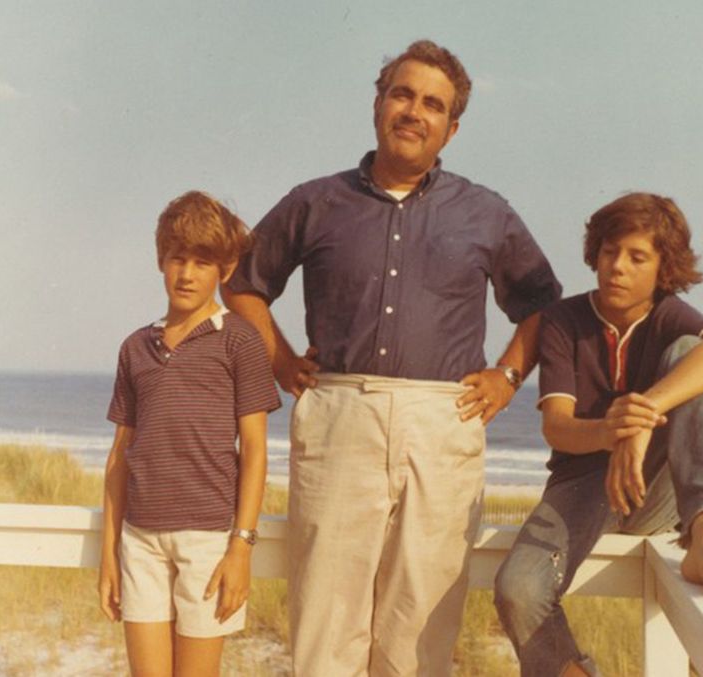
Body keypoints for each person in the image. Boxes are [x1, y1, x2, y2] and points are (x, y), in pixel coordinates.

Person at [222, 40, 561, 676]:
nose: (414, 111)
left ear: (451, 128)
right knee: (326, 621)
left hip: (443, 423)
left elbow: (543, 304)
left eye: (433, 104)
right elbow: (242, 285)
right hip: (339, 415)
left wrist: (509, 374)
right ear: (378, 104)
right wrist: (282, 361)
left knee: (420, 623)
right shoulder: (314, 201)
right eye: (402, 94)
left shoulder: (486, 212)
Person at [493, 192, 703, 677]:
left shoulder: (667, 314)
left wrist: (643, 413)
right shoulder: (562, 321)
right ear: (596, 253)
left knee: (691, 352)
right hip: (582, 487)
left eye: (638, 257)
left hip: (655, 489)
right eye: (611, 251)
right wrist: (612, 432)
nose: (618, 267)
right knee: (519, 588)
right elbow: (558, 427)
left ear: (664, 268)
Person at [98, 191, 281, 677]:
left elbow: (257, 450)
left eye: (203, 262)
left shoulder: (240, 341)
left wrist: (241, 546)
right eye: (178, 258)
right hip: (140, 540)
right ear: (161, 261)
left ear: (223, 270)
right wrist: (110, 555)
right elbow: (120, 455)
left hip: (209, 541)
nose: (187, 273)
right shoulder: (136, 347)